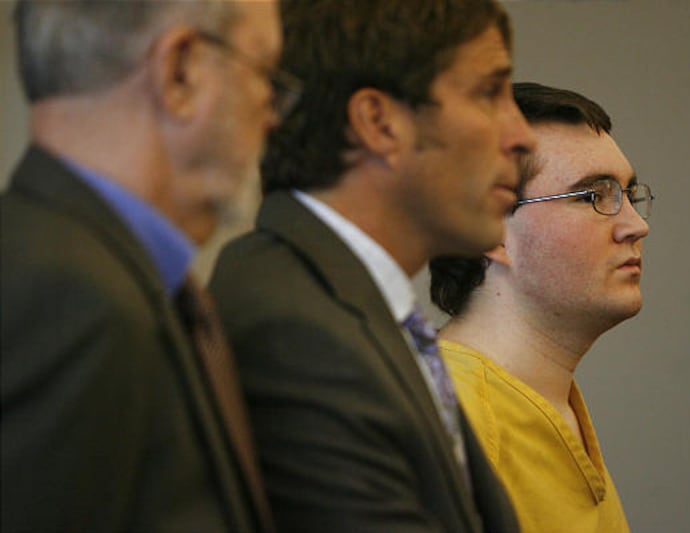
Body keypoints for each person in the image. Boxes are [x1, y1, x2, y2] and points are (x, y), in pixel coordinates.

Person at [208, 0, 535, 531]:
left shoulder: (352, 303)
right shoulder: (294, 327)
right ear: (379, 122)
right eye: (488, 93)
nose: (523, 136)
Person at [0, 1, 292, 531]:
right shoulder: (71, 300)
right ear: (180, 72)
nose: (273, 112)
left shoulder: (117, 277)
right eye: (265, 73)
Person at [429, 82, 653, 533]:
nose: (637, 225)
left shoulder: (546, 400)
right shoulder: (452, 419)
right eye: (594, 196)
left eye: (630, 194)